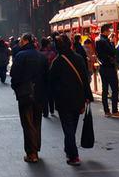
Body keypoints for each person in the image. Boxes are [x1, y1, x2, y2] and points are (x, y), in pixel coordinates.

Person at [48, 34, 93, 165]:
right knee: (72, 126)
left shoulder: (57, 62)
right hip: (78, 99)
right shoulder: (78, 58)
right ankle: (69, 149)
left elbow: (51, 82)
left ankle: (73, 155)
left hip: (63, 101)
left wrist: (52, 98)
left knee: (68, 128)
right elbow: (85, 78)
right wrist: (88, 97)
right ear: (70, 44)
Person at [10, 33, 48, 163]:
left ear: (26, 41)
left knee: (27, 123)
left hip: (25, 95)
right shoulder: (41, 56)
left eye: (21, 40)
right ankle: (36, 149)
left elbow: (14, 74)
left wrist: (16, 88)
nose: (19, 42)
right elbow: (46, 76)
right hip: (39, 94)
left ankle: (32, 153)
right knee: (37, 122)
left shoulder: (20, 56)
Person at [95, 24, 119, 117]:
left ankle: (106, 111)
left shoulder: (97, 39)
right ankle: (115, 110)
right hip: (109, 67)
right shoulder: (105, 41)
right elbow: (113, 51)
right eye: (109, 31)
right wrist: (112, 42)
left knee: (105, 90)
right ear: (106, 31)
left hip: (102, 68)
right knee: (114, 89)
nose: (110, 32)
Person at [40, 37, 57, 117]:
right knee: (51, 94)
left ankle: (45, 111)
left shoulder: (39, 54)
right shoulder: (52, 54)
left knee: (43, 94)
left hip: (42, 77)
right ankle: (52, 110)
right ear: (47, 45)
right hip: (51, 76)